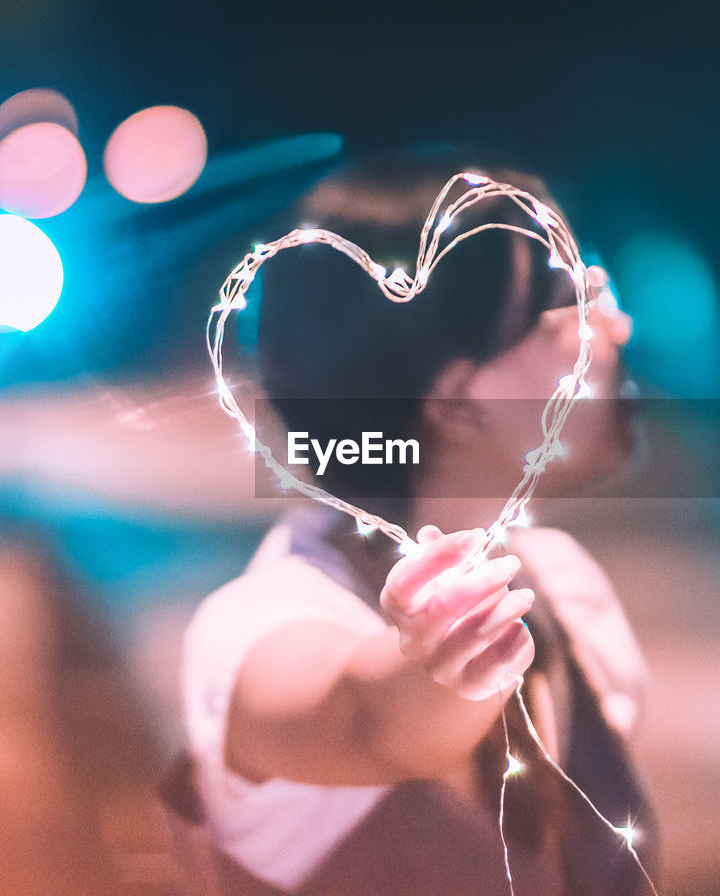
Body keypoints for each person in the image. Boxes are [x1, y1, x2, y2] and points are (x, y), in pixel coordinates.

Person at [176, 148, 656, 894]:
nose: (617, 327)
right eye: (571, 302)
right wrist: (434, 658)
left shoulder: (564, 587)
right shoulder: (255, 633)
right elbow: (373, 719)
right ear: (459, 400)